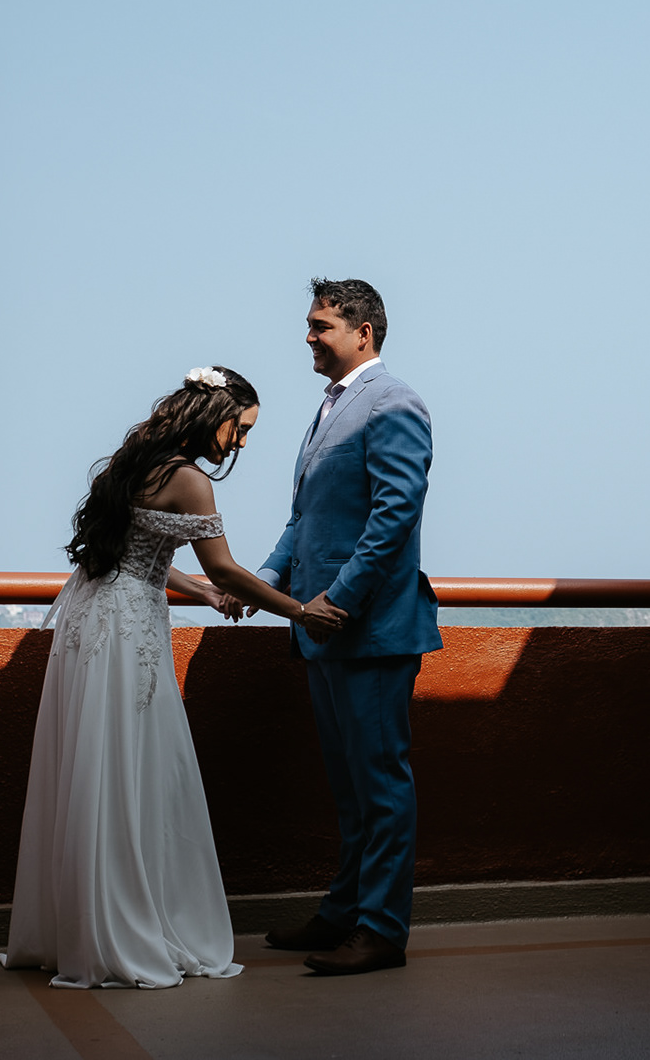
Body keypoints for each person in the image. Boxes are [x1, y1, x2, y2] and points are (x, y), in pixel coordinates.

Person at [0, 365, 343, 988]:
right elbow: (227, 568)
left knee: (95, 763)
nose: (241, 443)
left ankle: (77, 927)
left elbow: (136, 554)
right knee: (130, 765)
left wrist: (200, 592)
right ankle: (120, 926)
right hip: (127, 629)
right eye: (240, 428)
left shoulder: (131, 463)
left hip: (92, 615)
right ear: (214, 417)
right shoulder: (190, 481)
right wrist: (299, 611)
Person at [259, 279, 441, 975]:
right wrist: (264, 580)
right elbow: (303, 519)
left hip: (368, 629)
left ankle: (382, 931)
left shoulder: (395, 403)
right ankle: (343, 912)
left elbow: (395, 514)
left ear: (363, 332)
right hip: (322, 630)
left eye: (320, 325)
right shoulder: (328, 408)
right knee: (350, 790)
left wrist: (336, 599)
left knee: (381, 786)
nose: (308, 336)